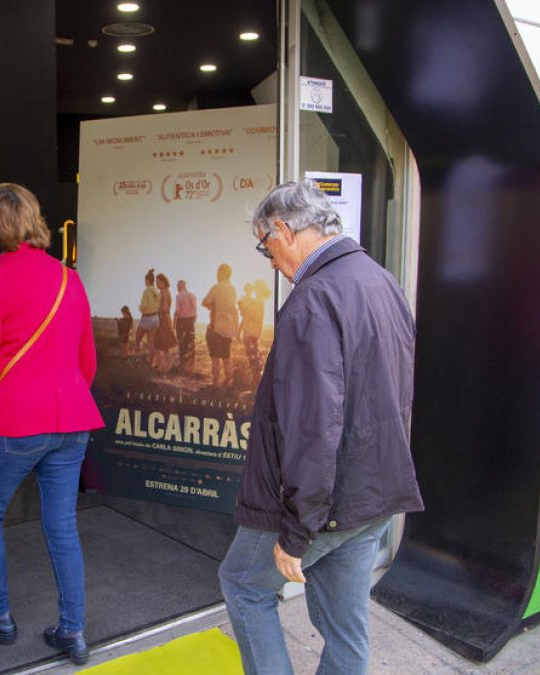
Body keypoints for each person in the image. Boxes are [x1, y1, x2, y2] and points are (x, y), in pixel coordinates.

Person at [218, 179, 423, 675]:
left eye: (265, 246)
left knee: (244, 585)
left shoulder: (314, 299)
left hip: (324, 506)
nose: (269, 261)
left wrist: (297, 529)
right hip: (373, 495)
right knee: (346, 628)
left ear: (284, 230)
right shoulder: (379, 279)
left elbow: (313, 429)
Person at [0, 183, 104, 666]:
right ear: (33, 219)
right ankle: (72, 631)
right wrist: (67, 399)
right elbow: (87, 361)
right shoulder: (67, 279)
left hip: (14, 425)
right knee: (62, 526)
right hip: (71, 421)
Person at [201, 263, 239, 388]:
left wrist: (212, 306)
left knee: (215, 358)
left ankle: (215, 384)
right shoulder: (233, 289)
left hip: (217, 328)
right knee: (227, 358)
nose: (217, 275)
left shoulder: (217, 287)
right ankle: (229, 382)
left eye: (218, 272)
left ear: (223, 273)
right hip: (229, 328)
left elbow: (204, 302)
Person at [152, 273, 178, 373]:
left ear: (162, 282)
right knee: (164, 345)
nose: (156, 284)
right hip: (166, 318)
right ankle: (165, 367)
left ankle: (161, 367)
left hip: (163, 318)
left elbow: (164, 307)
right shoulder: (166, 291)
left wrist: (155, 310)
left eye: (157, 281)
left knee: (158, 344)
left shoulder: (163, 292)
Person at [135, 268, 160, 358]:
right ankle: (151, 362)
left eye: (145, 281)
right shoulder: (156, 291)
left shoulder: (146, 291)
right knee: (151, 341)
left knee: (137, 338)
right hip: (156, 318)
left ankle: (136, 357)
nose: (144, 282)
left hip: (147, 318)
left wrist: (140, 308)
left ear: (147, 280)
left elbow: (144, 306)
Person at [174, 279, 197, 373]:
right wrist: (192, 321)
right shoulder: (192, 296)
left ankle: (183, 367)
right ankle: (191, 368)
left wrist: (173, 322)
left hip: (181, 321)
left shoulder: (179, 296)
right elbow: (195, 311)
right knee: (191, 344)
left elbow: (178, 311)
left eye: (177, 287)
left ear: (179, 287)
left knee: (182, 344)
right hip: (191, 321)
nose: (177, 288)